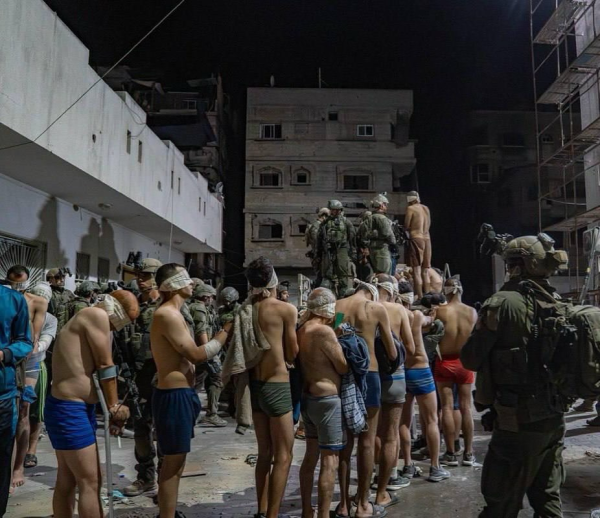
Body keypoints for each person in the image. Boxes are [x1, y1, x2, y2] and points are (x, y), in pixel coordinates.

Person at [462, 234, 570, 517]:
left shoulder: (502, 302)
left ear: (515, 265)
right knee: (547, 498)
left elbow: (471, 358)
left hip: (517, 419)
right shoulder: (556, 302)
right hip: (554, 415)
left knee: (501, 499)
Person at [46, 289, 138, 518]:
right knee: (91, 481)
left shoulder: (93, 321)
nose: (121, 327)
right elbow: (105, 365)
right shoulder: (94, 316)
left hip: (72, 407)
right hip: (69, 408)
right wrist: (114, 406)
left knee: (67, 479)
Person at [150, 264, 231, 518]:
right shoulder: (167, 315)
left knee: (176, 461)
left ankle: (169, 512)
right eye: (186, 279)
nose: (192, 284)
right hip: (173, 396)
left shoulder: (177, 312)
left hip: (181, 394)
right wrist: (224, 333)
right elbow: (196, 354)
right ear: (173, 285)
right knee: (172, 464)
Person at [335, 280, 397, 518]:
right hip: (370, 375)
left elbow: (335, 334)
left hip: (344, 376)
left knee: (345, 443)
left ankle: (342, 504)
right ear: (371, 293)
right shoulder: (376, 309)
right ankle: (362, 504)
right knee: (367, 441)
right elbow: (392, 352)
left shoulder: (339, 306)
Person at [243, 257, 298, 518]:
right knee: (284, 456)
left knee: (264, 453)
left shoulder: (247, 308)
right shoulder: (285, 309)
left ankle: (262, 509)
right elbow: (292, 350)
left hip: (255, 386)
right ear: (273, 279)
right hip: (278, 386)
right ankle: (273, 515)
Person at [298, 288, 348, 518]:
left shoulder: (302, 329)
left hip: (309, 398)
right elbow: (342, 366)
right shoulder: (323, 332)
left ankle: (308, 510)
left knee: (310, 456)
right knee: (330, 459)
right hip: (328, 399)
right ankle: (324, 515)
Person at [397, 280, 450, 482]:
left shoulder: (392, 315)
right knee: (430, 420)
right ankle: (435, 467)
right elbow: (431, 323)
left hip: (403, 371)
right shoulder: (416, 316)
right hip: (421, 369)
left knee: (404, 421)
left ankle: (408, 464)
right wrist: (432, 315)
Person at [120, 258, 164, 497]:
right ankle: (146, 478)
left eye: (146, 275)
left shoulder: (167, 307)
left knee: (164, 432)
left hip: (161, 377)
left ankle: (166, 482)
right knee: (140, 430)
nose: (141, 280)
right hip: (138, 379)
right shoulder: (133, 307)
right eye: (139, 275)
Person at [371, 274, 415, 507]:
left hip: (371, 375)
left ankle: (376, 474)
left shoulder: (367, 307)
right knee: (392, 433)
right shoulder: (399, 311)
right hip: (395, 376)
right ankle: (390, 479)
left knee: (372, 435)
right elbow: (411, 346)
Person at [6, 266, 48, 491]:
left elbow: (34, 337)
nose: (17, 289)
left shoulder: (37, 302)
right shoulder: (5, 299)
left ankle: (18, 467)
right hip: (8, 356)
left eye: (20, 285)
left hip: (27, 360)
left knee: (24, 410)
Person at [434, 276, 477, 467]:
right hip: (465, 362)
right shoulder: (472, 312)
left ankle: (450, 452)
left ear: (448, 290)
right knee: (466, 408)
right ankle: (468, 453)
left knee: (447, 407)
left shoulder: (440, 311)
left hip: (445, 361)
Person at [0, 282, 32, 517]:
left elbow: (24, 341)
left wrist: (5, 353)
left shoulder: (12, 300)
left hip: (2, 392)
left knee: (1, 459)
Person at [24, 283, 57, 469]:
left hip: (36, 365)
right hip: (17, 365)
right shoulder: (21, 313)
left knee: (35, 411)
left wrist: (34, 347)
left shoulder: (50, 319)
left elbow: (46, 340)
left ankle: (32, 450)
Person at [189, 283, 226, 427]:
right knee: (217, 378)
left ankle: (192, 413)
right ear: (206, 297)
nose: (212, 300)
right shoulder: (199, 308)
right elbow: (200, 332)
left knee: (196, 383)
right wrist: (209, 352)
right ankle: (212, 413)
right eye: (211, 297)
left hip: (198, 352)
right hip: (203, 351)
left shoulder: (196, 307)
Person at [316, 200, 356, 298]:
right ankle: (327, 296)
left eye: (337, 210)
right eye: (333, 210)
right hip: (328, 250)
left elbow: (352, 237)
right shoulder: (325, 223)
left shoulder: (346, 222)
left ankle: (343, 297)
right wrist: (318, 253)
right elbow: (319, 239)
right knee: (327, 274)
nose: (336, 212)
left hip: (341, 249)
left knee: (343, 274)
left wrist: (353, 251)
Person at [358, 193, 396, 275]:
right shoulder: (381, 218)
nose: (386, 207)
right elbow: (387, 233)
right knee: (384, 275)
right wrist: (393, 242)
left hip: (372, 249)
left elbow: (362, 234)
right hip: (382, 249)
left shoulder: (369, 218)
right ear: (381, 205)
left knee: (377, 273)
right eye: (385, 204)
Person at [404, 191, 432, 298]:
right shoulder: (426, 209)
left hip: (416, 238)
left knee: (416, 270)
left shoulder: (411, 209)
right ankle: (428, 296)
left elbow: (407, 225)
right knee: (425, 270)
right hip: (427, 238)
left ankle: (420, 297)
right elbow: (428, 224)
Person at [305, 207, 330, 285]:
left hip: (321, 256)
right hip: (319, 257)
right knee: (321, 277)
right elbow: (317, 243)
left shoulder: (320, 226)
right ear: (324, 216)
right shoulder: (316, 227)